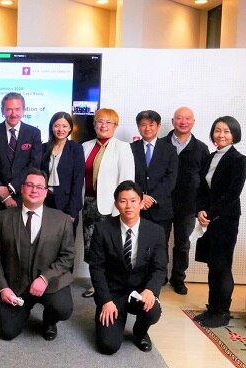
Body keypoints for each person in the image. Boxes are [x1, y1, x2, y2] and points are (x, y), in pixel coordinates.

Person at [0, 169, 74, 341]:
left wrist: (45, 278)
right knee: (6, 332)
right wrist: (2, 287)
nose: (34, 190)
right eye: (30, 185)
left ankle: (49, 321)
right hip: (15, 284)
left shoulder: (61, 219)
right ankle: (22, 311)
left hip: (49, 283)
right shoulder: (3, 217)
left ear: (45, 192)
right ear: (22, 189)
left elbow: (68, 256)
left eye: (39, 187)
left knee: (62, 308)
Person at [89, 180, 167, 355]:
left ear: (141, 203)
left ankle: (140, 332)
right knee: (108, 346)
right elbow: (96, 268)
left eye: (133, 200)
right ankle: (105, 319)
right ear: (116, 204)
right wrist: (105, 301)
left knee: (152, 310)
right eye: (123, 201)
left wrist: (150, 291)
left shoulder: (155, 232)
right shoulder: (102, 229)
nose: (128, 206)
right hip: (113, 293)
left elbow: (160, 268)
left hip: (140, 292)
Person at [194, 116, 246, 328]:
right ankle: (213, 308)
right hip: (208, 219)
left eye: (226, 131)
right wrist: (200, 210)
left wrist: (210, 213)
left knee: (222, 266)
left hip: (225, 220)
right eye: (217, 130)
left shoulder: (238, 159)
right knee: (212, 264)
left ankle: (222, 312)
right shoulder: (211, 157)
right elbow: (202, 188)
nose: (221, 135)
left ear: (234, 134)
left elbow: (232, 194)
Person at [81, 108, 135, 298]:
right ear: (94, 125)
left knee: (109, 246)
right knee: (90, 245)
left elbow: (127, 181)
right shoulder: (85, 146)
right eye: (99, 122)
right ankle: (96, 282)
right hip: (88, 204)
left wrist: (121, 207)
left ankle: (109, 284)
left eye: (108, 122)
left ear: (115, 126)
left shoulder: (123, 147)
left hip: (111, 206)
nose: (103, 125)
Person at [160, 107, 209, 295]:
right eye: (179, 118)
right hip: (162, 203)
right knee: (159, 242)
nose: (183, 121)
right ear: (173, 121)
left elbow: (205, 182)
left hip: (188, 206)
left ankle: (178, 278)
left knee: (183, 244)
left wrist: (201, 207)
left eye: (187, 118)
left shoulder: (201, 148)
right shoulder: (161, 144)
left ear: (193, 122)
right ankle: (160, 276)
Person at [0, 92, 42, 227]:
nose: (13, 113)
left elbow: (34, 165)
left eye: (17, 109)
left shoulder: (33, 133)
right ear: (2, 110)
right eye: (9, 109)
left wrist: (10, 189)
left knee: (23, 242)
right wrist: (3, 194)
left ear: (23, 110)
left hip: (24, 197)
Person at [130, 110, 178, 276]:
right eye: (143, 125)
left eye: (151, 124)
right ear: (138, 127)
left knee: (160, 245)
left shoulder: (169, 150)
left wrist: (153, 197)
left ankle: (159, 277)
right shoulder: (130, 148)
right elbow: (129, 176)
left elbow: (170, 179)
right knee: (138, 242)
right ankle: (139, 276)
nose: (147, 128)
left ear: (158, 126)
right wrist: (141, 196)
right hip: (137, 207)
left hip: (161, 208)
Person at [40, 111, 85, 236]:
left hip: (67, 204)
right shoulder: (42, 148)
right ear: (51, 127)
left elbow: (78, 181)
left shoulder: (76, 149)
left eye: (64, 126)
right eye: (57, 125)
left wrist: (72, 211)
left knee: (66, 244)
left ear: (70, 128)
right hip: (45, 202)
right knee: (45, 241)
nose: (60, 129)